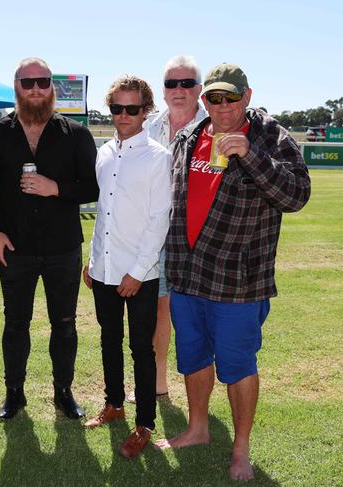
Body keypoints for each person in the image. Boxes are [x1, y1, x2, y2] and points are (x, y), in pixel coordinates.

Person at [154, 63, 311, 481]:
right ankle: (198, 428)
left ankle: (241, 448)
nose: (222, 106)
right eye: (215, 98)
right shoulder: (190, 135)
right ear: (205, 99)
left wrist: (252, 154)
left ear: (247, 96)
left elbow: (296, 196)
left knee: (237, 364)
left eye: (231, 97)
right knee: (192, 357)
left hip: (238, 280)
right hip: (187, 273)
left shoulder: (271, 136)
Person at [0, 57, 99, 421]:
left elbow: (93, 187)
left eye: (43, 82)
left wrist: (55, 188)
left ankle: (63, 392)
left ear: (52, 88)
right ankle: (14, 394)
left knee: (64, 323)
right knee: (15, 323)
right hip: (14, 247)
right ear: (15, 85)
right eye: (27, 82)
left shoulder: (76, 134)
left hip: (63, 247)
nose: (35, 89)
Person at [82, 76, 171, 458]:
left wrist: (137, 271)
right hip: (103, 268)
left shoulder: (158, 157)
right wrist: (91, 259)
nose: (123, 115)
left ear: (145, 111)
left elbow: (159, 219)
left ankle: (145, 424)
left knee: (141, 349)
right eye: (116, 108)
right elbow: (104, 214)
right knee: (107, 340)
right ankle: (114, 405)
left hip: (140, 273)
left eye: (131, 109)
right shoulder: (103, 152)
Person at [126, 55, 207, 404]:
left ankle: (199, 395)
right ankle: (158, 382)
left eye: (187, 83)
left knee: (192, 314)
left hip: (197, 237)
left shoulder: (212, 129)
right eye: (172, 84)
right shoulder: (150, 128)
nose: (179, 90)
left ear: (199, 90)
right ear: (163, 90)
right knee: (157, 309)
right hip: (155, 233)